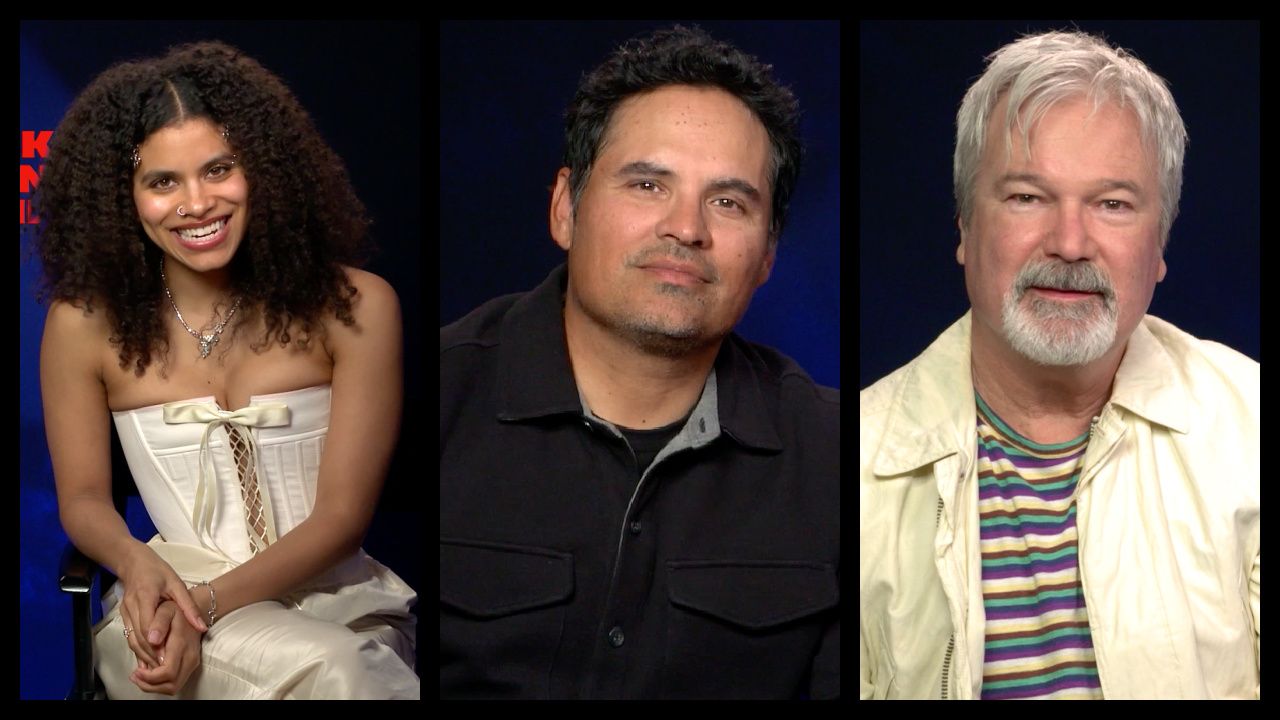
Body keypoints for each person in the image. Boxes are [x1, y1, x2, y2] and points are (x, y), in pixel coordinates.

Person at [439, 25, 839, 699]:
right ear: (566, 208)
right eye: (648, 185)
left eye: (729, 202)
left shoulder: (833, 454)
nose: (686, 228)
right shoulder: (437, 394)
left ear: (768, 254)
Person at [859, 30, 1259, 700]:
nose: (1070, 243)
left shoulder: (1250, 427)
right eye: (1026, 196)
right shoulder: (855, 461)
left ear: (1159, 245)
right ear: (964, 228)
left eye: (1113, 205)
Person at [34, 40, 419, 699]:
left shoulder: (358, 307)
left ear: (262, 168)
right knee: (343, 675)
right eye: (163, 182)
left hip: (338, 605)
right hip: (163, 601)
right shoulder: (82, 325)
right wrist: (140, 567)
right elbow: (84, 500)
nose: (197, 203)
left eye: (218, 170)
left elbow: (343, 518)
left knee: (343, 663)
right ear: (123, 197)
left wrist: (211, 605)